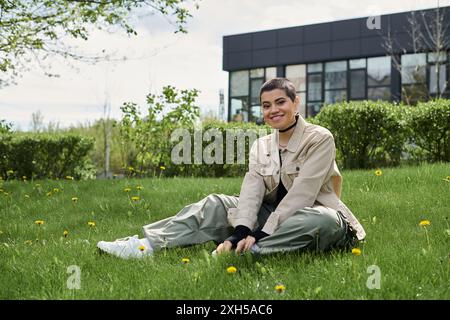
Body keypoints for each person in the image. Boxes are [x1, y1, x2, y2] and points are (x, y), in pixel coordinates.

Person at [97, 78, 366, 259]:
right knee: (216, 203)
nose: (273, 110)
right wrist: (241, 228)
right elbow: (251, 191)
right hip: (272, 213)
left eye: (280, 102)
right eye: (266, 105)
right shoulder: (261, 145)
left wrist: (260, 232)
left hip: (312, 214)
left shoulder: (320, 138)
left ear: (296, 104)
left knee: (322, 221)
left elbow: (303, 195)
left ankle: (251, 249)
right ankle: (146, 245)